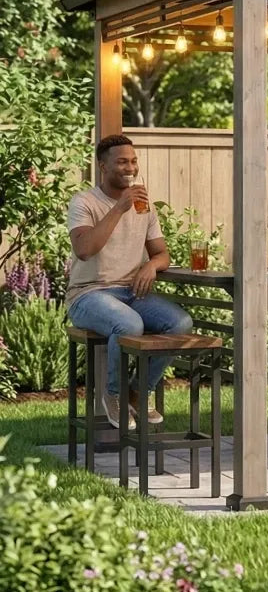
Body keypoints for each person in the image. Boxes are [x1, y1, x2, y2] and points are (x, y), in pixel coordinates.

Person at [66, 135, 192, 429]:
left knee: (180, 323)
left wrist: (151, 265)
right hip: (88, 295)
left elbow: (162, 253)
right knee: (129, 324)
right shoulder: (84, 202)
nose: (130, 167)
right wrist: (119, 208)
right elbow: (84, 250)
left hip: (131, 293)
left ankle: (137, 391)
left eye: (133, 161)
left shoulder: (144, 206)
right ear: (103, 166)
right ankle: (112, 395)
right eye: (122, 161)